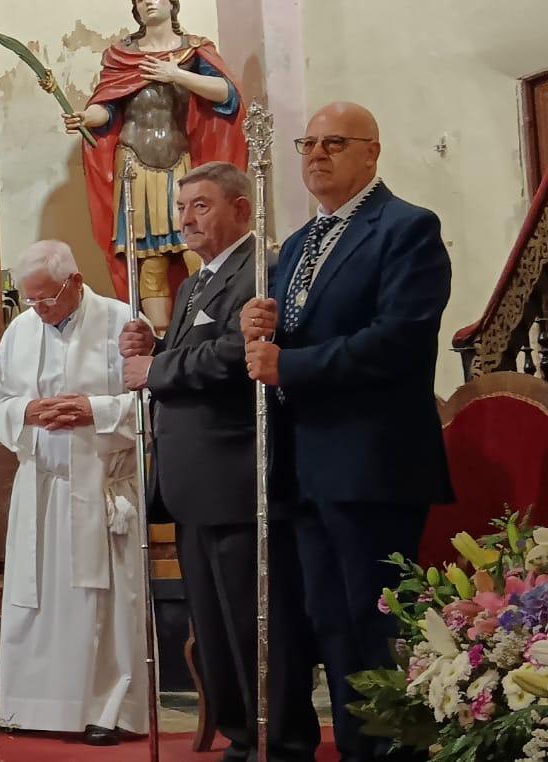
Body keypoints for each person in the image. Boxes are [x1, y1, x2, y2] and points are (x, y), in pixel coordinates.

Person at [241, 102, 453, 762]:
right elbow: (292, 333)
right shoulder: (298, 244)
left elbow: (398, 340)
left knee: (376, 621)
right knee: (330, 622)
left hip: (372, 462)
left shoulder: (407, 228)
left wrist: (290, 365)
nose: (316, 154)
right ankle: (361, 751)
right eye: (308, 143)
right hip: (306, 463)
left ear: (372, 152)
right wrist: (258, 327)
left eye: (334, 142)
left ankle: (397, 752)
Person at [120, 161, 320, 762]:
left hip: (238, 477)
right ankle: (241, 737)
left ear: (241, 208)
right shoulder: (194, 283)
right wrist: (155, 347)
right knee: (212, 626)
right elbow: (194, 355)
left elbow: (240, 354)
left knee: (256, 622)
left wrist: (156, 368)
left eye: (200, 206)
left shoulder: (264, 268)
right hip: (191, 483)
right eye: (182, 208)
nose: (186, 219)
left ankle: (280, 741)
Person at [0, 240, 147, 746]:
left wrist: (92, 409)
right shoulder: (21, 329)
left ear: (74, 282)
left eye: (46, 298)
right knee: (33, 600)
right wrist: (27, 412)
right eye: (29, 299)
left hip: (100, 486)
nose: (38, 309)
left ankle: (106, 710)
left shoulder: (123, 322)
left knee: (101, 603)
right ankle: (28, 706)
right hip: (41, 486)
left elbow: (151, 400)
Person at [63, 0, 244, 332]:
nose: (148, 1)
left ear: (171, 2)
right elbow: (108, 108)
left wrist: (175, 74)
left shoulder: (193, 51)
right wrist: (87, 116)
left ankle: (205, 328)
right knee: (150, 257)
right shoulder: (123, 55)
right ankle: (160, 337)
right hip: (134, 161)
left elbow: (227, 95)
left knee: (197, 245)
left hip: (178, 159)